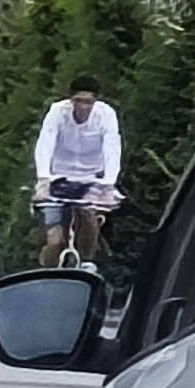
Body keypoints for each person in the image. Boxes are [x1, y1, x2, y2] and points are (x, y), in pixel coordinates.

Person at [34, 73, 122, 265]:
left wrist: (108, 185)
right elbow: (45, 143)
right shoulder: (57, 112)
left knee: (89, 213)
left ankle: (87, 262)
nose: (83, 107)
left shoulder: (106, 115)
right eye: (78, 101)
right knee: (55, 240)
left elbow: (112, 148)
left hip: (91, 178)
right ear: (70, 100)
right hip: (58, 177)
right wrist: (43, 180)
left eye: (88, 102)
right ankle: (48, 271)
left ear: (95, 101)